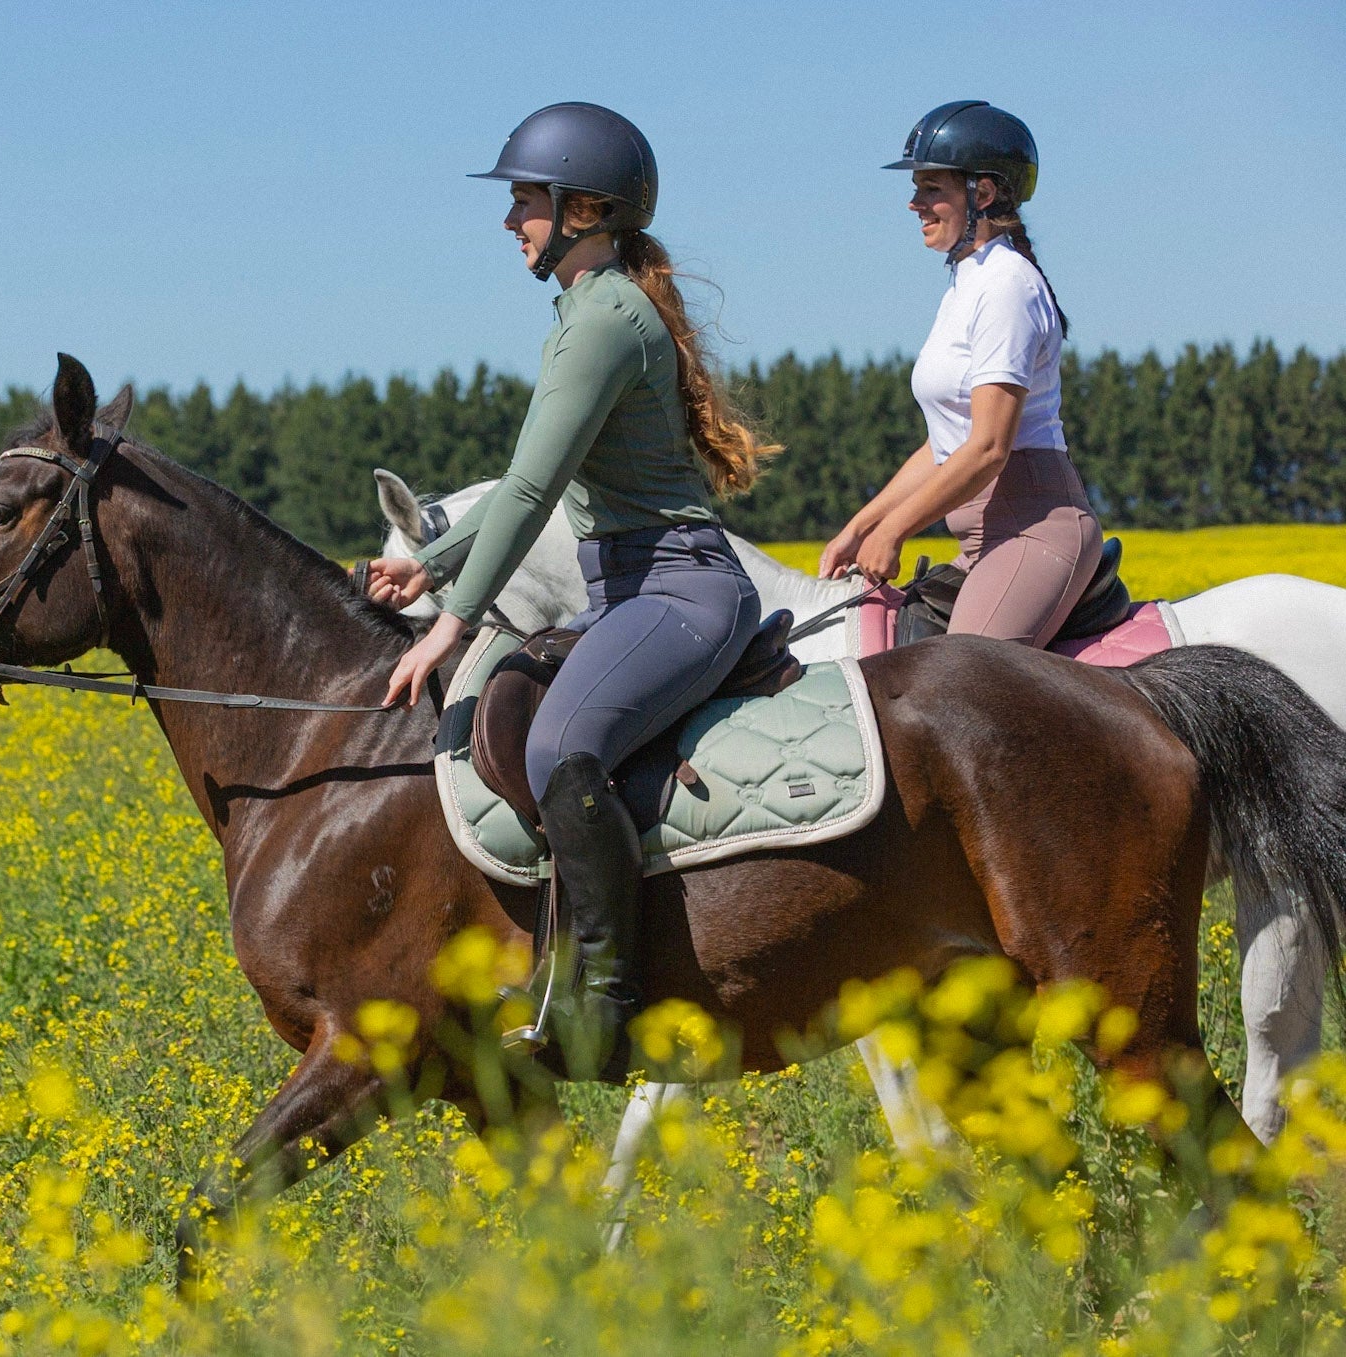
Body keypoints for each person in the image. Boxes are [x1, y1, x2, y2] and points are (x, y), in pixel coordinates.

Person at [363, 102, 781, 1074]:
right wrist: (425, 563)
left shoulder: (602, 321)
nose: (510, 221)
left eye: (525, 202)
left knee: (559, 742)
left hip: (678, 591)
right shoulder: (586, 311)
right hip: (627, 589)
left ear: (585, 208)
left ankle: (606, 1001)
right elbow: (526, 486)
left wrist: (444, 622)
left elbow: (528, 486)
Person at [819, 100, 1102, 645]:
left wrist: (898, 530)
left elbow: (990, 447)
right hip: (983, 539)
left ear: (984, 193)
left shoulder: (1005, 285)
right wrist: (861, 527)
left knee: (960, 685)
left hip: (1034, 532)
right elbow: (944, 444)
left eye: (931, 188)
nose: (914, 203)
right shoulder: (966, 281)